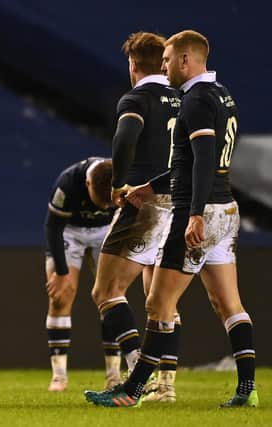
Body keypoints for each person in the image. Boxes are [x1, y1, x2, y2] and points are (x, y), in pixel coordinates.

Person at [86, 30, 258, 408]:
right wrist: (152, 185)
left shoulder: (195, 100)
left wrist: (194, 213)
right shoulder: (222, 94)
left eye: (168, 60)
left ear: (185, 60)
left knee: (157, 305)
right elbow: (196, 162)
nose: (164, 68)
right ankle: (247, 389)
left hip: (199, 212)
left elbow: (202, 161)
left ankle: (132, 391)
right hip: (227, 210)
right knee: (229, 304)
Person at [90, 32, 181, 401]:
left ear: (132, 65)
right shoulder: (185, 99)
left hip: (146, 205)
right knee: (162, 301)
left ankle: (136, 374)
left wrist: (120, 183)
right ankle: (166, 386)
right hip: (185, 204)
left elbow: (125, 137)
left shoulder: (137, 98)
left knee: (107, 291)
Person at [44, 158, 115, 391]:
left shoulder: (123, 180)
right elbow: (53, 227)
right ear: (87, 184)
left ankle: (114, 374)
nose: (104, 206)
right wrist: (62, 273)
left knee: (111, 297)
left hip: (107, 229)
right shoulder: (67, 183)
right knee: (61, 295)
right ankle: (59, 376)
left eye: (109, 201)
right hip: (69, 230)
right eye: (101, 201)